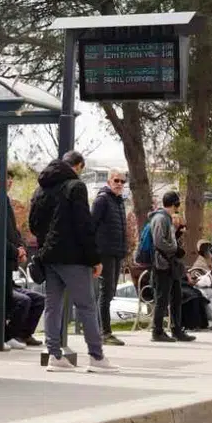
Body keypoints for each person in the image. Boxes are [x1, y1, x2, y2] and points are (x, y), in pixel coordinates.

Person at [29, 151, 120, 373]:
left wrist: (46, 246)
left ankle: (54, 355)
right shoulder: (75, 187)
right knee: (87, 306)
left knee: (53, 305)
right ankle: (96, 357)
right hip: (73, 257)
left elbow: (34, 225)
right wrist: (94, 258)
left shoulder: (41, 189)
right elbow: (84, 226)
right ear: (78, 166)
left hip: (49, 257)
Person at [0, 169, 43, 350]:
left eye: (10, 179)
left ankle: (6, 336)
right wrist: (15, 251)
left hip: (6, 260)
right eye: (4, 178)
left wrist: (20, 248)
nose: (8, 182)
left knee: (5, 299)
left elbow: (12, 232)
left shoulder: (4, 202)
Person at [149, 191, 195, 342]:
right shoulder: (160, 218)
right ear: (175, 204)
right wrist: (175, 249)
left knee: (176, 296)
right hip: (162, 264)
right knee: (162, 298)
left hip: (170, 263)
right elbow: (159, 241)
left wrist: (177, 236)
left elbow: (167, 239)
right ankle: (157, 331)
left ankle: (177, 329)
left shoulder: (166, 218)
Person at [90, 170, 129, 347]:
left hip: (116, 253)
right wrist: (94, 253)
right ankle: (103, 332)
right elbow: (92, 226)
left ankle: (103, 330)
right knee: (105, 292)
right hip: (104, 253)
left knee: (110, 292)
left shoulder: (119, 202)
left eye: (122, 181)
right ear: (109, 181)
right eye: (116, 180)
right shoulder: (102, 200)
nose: (119, 183)